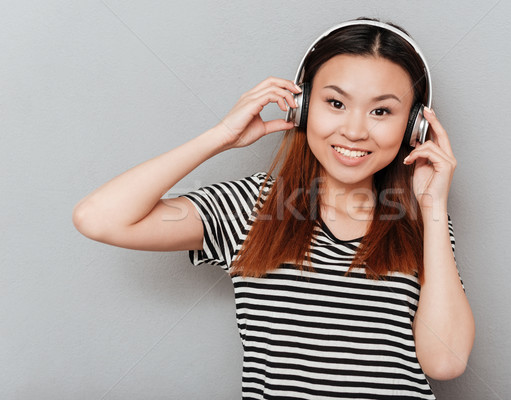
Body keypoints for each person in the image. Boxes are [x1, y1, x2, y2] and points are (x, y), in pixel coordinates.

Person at [73, 17, 475, 400]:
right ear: (300, 107)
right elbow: (98, 217)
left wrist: (433, 206)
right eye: (335, 103)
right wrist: (221, 136)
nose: (354, 130)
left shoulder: (424, 221)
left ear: (414, 128)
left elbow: (445, 362)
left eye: (381, 111)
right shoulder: (251, 206)